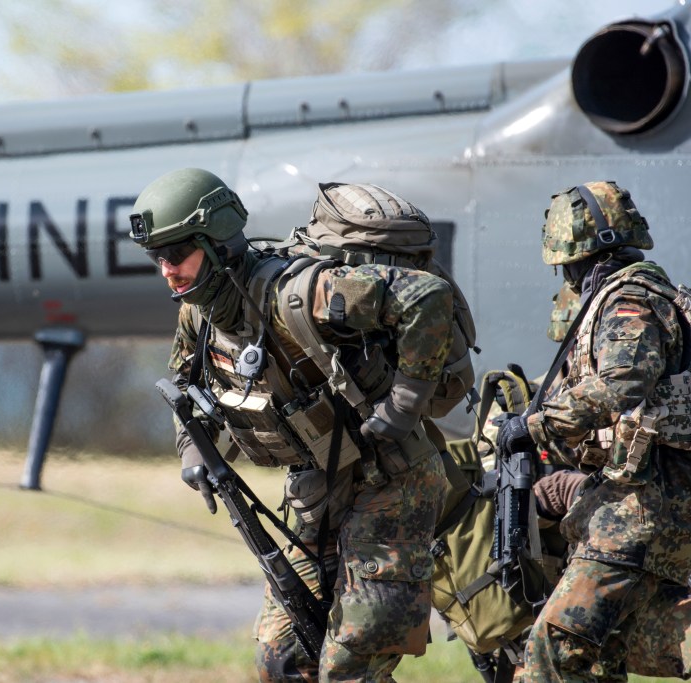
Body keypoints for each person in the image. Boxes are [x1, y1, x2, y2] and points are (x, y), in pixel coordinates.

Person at [129, 168, 455, 682]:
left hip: (394, 484)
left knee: (350, 666)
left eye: (176, 254)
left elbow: (426, 297)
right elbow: (181, 389)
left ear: (214, 242)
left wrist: (403, 405)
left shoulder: (300, 292)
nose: (166, 271)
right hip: (318, 488)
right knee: (282, 661)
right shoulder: (200, 313)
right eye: (158, 258)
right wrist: (193, 456)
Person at [495, 180, 691, 681]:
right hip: (651, 504)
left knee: (553, 649)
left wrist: (534, 429)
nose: (567, 277)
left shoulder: (628, 299)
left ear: (590, 258)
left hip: (642, 509)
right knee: (611, 648)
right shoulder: (639, 297)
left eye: (569, 265)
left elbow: (623, 381)